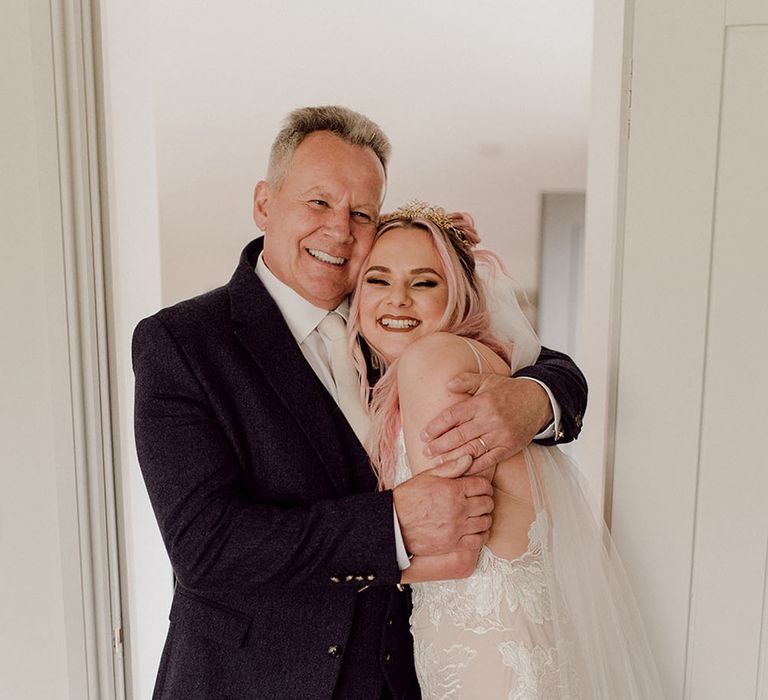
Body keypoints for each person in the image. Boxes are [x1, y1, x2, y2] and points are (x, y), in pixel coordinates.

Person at [132, 106, 587, 698]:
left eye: (361, 213)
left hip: (401, 678)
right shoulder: (183, 342)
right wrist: (392, 522)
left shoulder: (390, 317)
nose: (340, 230)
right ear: (265, 204)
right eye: (318, 203)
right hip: (253, 681)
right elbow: (206, 546)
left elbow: (545, 362)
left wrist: (533, 399)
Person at [349, 201, 662, 698]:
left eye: (424, 282)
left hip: (490, 652)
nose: (398, 300)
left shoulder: (433, 361)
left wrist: (320, 569)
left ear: (461, 294)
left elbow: (450, 546)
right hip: (490, 645)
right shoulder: (478, 362)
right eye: (378, 280)